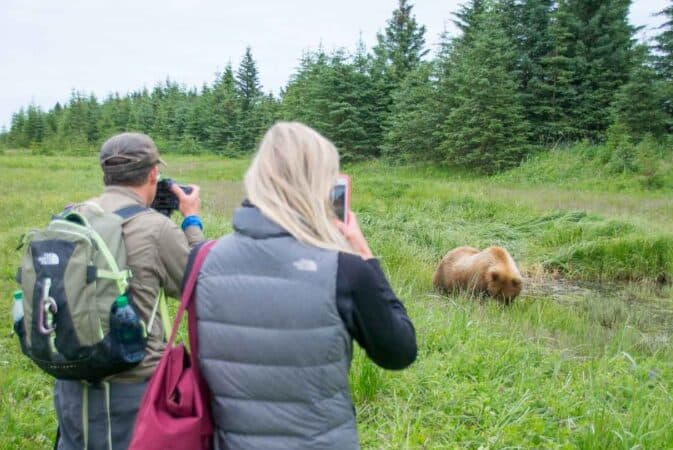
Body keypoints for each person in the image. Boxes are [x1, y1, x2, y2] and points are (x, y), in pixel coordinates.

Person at [193, 122, 417, 448]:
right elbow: (399, 352)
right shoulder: (345, 268)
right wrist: (365, 254)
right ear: (321, 185)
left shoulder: (203, 259)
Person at [54, 132, 204, 450]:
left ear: (106, 174)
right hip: (133, 386)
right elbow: (195, 283)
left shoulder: (71, 216)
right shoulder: (156, 228)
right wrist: (191, 221)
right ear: (153, 174)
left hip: (70, 379)